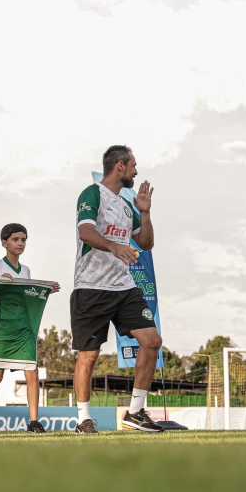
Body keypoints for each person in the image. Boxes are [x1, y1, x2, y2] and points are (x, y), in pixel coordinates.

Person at [70, 145, 163, 435]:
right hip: (91, 286)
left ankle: (134, 412)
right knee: (89, 355)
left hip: (124, 287)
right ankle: (83, 419)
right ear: (120, 166)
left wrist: (144, 213)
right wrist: (114, 246)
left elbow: (145, 243)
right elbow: (85, 231)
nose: (136, 171)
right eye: (133, 165)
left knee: (152, 341)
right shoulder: (92, 194)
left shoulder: (125, 204)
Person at [0, 223, 60, 434]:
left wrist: (44, 291)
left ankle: (34, 422)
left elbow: (26, 296)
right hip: (0, 328)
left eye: (23, 240)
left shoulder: (26, 270)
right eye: (15, 239)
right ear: (4, 243)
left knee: (32, 370)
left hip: (22, 328)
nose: (20, 243)